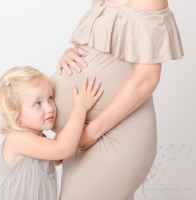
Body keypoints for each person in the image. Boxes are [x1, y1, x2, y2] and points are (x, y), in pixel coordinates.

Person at [50, 0, 184, 199]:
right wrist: (70, 53)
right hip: (80, 132)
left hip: (115, 133)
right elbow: (100, 50)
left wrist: (92, 132)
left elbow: (147, 79)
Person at [0, 66, 103, 200]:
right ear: (16, 115)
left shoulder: (41, 139)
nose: (49, 108)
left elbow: (56, 158)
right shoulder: (16, 139)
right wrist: (80, 107)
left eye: (50, 98)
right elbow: (62, 149)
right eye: (37, 104)